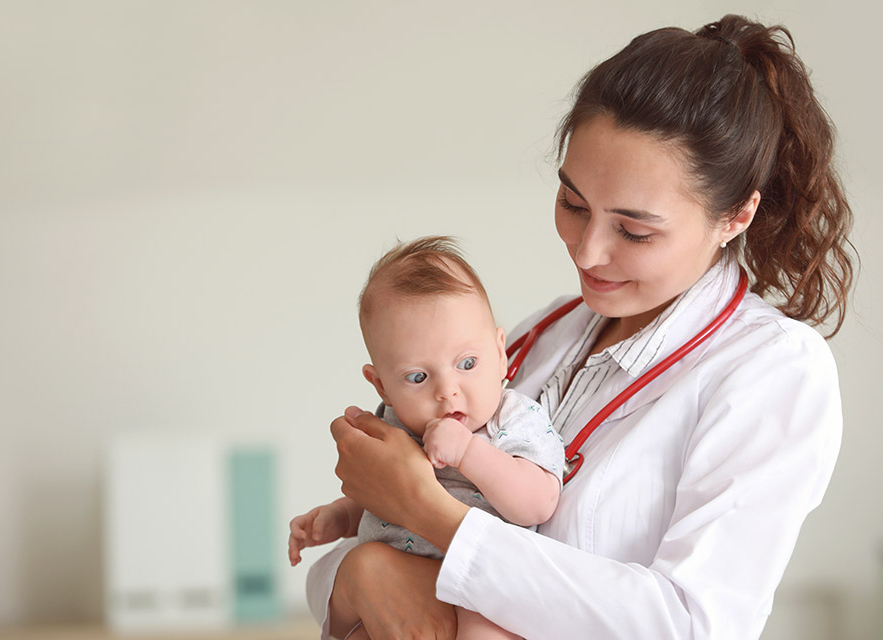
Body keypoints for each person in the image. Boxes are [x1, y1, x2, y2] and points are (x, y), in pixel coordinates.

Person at [305, 13, 856, 640]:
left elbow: (694, 625)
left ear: (735, 214)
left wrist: (431, 520)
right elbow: (339, 579)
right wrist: (367, 574)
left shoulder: (773, 369)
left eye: (635, 230)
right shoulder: (539, 335)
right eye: (573, 204)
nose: (588, 251)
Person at [289, 236, 568, 640]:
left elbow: (537, 503)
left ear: (501, 351)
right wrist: (341, 517)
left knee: (488, 629)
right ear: (382, 386)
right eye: (418, 377)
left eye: (467, 363)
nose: (448, 390)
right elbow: (380, 497)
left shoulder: (512, 418)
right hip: (395, 586)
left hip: (483, 583)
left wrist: (469, 452)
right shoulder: (394, 425)